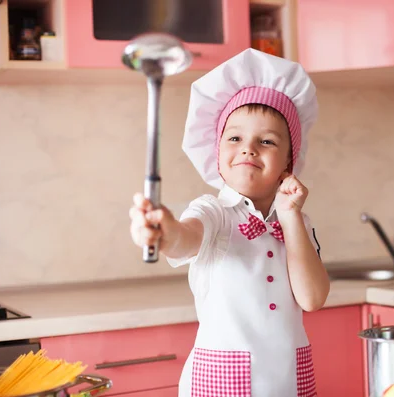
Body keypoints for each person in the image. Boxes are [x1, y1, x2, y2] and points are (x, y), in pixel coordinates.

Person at [129, 48, 329, 397]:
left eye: (266, 141)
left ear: (288, 163)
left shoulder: (297, 220)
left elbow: (312, 299)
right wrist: (162, 231)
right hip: (220, 385)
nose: (248, 148)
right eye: (235, 138)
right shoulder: (213, 212)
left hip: (288, 383)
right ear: (217, 155)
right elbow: (185, 237)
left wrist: (290, 216)